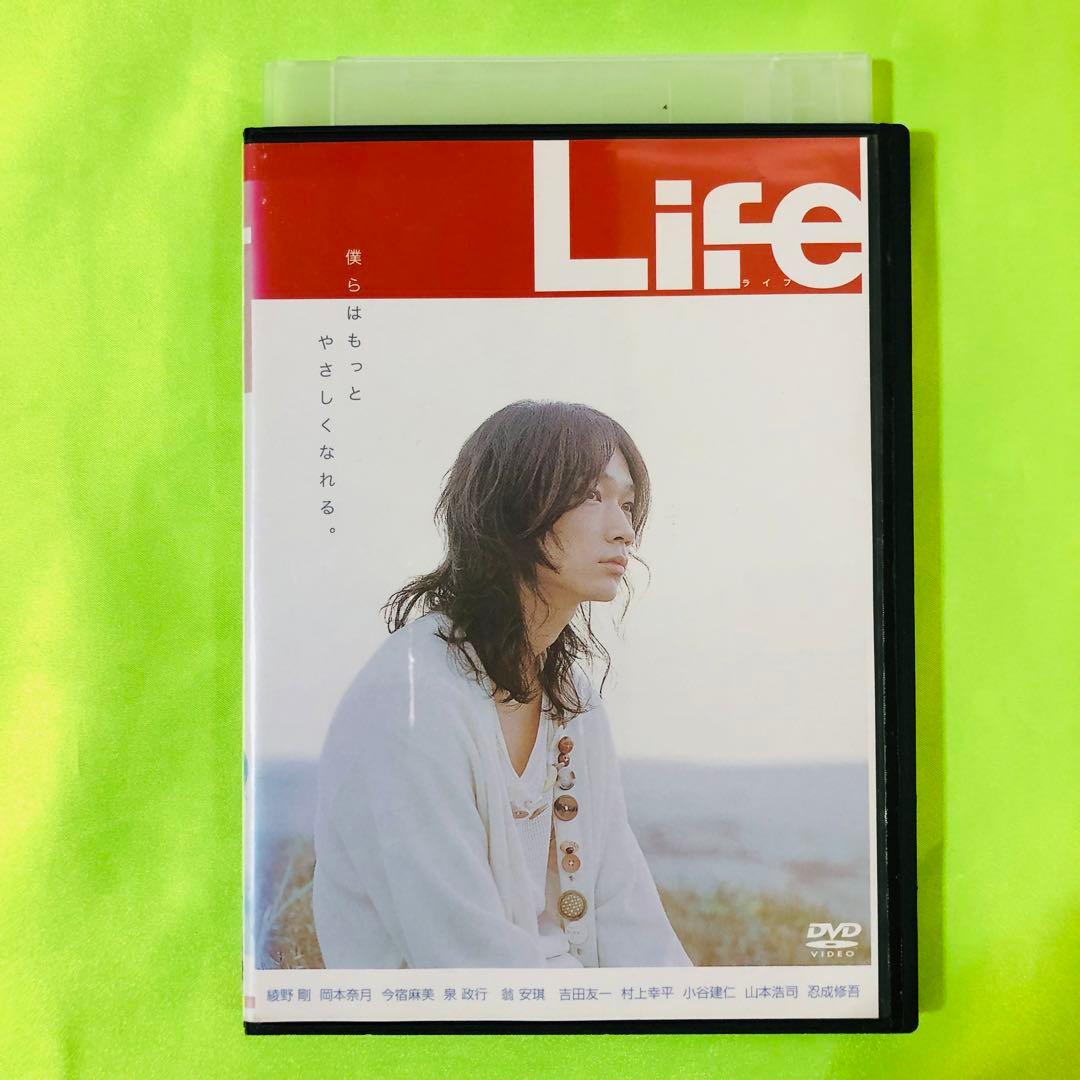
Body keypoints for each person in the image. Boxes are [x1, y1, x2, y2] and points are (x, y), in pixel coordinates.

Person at [312, 400, 691, 969]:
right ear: (515, 506)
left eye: (628, 504)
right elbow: (463, 957)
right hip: (454, 1021)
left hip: (564, 1013)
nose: (624, 530)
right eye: (592, 495)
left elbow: (627, 914)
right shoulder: (411, 699)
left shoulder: (572, 699)